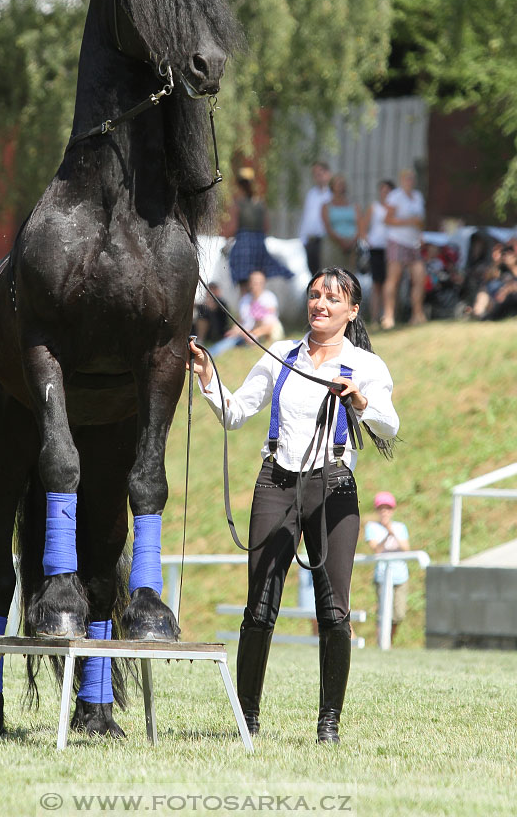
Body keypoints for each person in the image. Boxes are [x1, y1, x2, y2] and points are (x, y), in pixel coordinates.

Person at [188, 267, 399, 744]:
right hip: (276, 484)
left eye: (332, 297)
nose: (320, 303)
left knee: (334, 611)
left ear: (352, 310)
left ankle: (329, 723)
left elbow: (389, 424)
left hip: (334, 489)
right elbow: (236, 414)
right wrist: (207, 377)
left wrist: (360, 401)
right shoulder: (279, 356)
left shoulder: (366, 364)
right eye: (315, 295)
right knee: (259, 607)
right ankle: (247, 719)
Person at [227, 167, 294, 289]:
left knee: (243, 283)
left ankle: (245, 305)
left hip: (243, 246)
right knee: (257, 281)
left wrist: (225, 236)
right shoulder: (260, 203)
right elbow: (266, 227)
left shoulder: (237, 204)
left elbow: (232, 228)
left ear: (238, 184)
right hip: (259, 245)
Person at [381, 169, 426, 329]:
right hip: (397, 241)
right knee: (393, 279)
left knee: (419, 277)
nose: (410, 180)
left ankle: (417, 314)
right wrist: (409, 221)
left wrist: (419, 227)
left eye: (412, 178)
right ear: (401, 180)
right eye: (407, 178)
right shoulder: (395, 196)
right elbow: (387, 219)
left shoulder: (418, 196)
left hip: (413, 242)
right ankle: (388, 316)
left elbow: (420, 221)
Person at [364, 492, 410, 644]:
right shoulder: (371, 527)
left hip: (400, 575)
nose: (385, 512)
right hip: (382, 576)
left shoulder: (400, 527)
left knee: (399, 615)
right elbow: (376, 549)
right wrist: (386, 535)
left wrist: (392, 531)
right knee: (383, 613)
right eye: (381, 508)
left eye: (388, 508)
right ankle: (381, 643)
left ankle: (388, 641)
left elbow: (406, 548)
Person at [209, 270, 284, 358]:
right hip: (244, 332)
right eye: (252, 282)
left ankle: (252, 337)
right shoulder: (244, 300)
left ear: (262, 283)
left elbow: (270, 320)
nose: (254, 285)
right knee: (227, 342)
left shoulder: (269, 297)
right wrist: (235, 330)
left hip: (262, 332)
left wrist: (252, 332)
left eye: (257, 282)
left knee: (268, 322)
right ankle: (207, 354)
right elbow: (240, 320)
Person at [361, 180, 395, 323]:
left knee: (391, 282)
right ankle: (375, 316)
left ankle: (389, 314)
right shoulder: (374, 207)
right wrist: (369, 241)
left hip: (391, 248)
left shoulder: (395, 208)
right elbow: (363, 227)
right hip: (376, 248)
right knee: (377, 284)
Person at [321, 174, 362, 272]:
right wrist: (341, 241)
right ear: (332, 187)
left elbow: (360, 224)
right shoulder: (326, 206)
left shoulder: (354, 205)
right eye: (338, 184)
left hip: (352, 244)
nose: (341, 186)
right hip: (334, 244)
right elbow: (328, 227)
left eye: (342, 184)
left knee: (350, 273)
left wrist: (353, 240)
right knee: (332, 274)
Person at [298, 161, 332, 277]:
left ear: (328, 174)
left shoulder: (331, 194)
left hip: (326, 239)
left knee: (326, 274)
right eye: (315, 174)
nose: (318, 177)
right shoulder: (311, 194)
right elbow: (307, 216)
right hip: (311, 240)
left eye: (320, 173)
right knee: (314, 274)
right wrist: (302, 238)